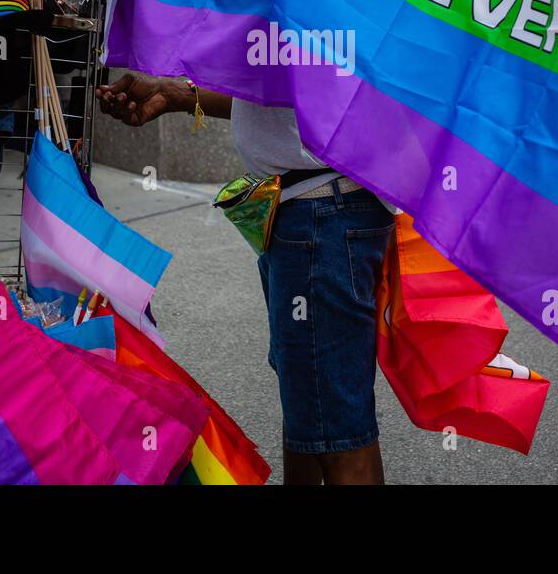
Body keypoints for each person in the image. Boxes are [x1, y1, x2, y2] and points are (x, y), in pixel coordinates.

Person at [94, 74, 393, 485]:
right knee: (309, 406)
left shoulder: (327, 17)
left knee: (338, 431)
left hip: (321, 213)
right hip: (305, 212)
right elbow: (274, 93)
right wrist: (179, 94)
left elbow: (317, 88)